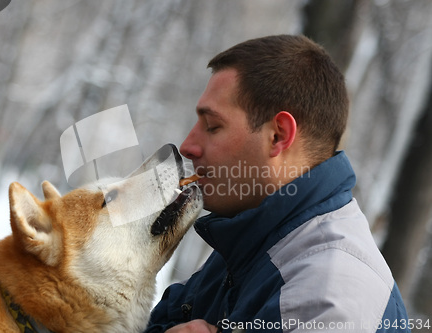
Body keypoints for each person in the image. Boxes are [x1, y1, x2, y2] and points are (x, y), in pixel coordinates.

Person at [143, 35, 410, 333]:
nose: (188, 146)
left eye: (213, 126)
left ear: (279, 135)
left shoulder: (328, 297)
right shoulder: (253, 243)